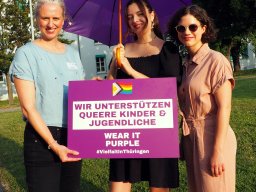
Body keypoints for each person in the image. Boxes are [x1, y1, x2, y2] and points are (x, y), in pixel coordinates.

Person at [9, 0, 84, 191]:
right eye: (45, 18)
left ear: (63, 20)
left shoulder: (74, 54)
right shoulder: (25, 54)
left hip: (74, 137)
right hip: (42, 139)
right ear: (37, 19)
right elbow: (28, 107)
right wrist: (53, 144)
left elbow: (80, 96)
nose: (50, 24)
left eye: (56, 18)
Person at [107, 0, 182, 191]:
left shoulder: (168, 49)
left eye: (140, 14)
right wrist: (114, 68)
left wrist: (130, 70)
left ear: (152, 15)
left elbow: (166, 91)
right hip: (126, 130)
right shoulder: (121, 51)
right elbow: (112, 91)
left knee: (158, 187)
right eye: (130, 16)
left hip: (159, 130)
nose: (135, 20)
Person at [168, 4, 237, 192]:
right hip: (192, 142)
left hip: (213, 138)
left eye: (193, 27)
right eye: (181, 28)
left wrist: (218, 151)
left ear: (204, 28)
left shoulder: (216, 61)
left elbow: (225, 108)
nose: (186, 32)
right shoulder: (186, 65)